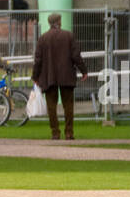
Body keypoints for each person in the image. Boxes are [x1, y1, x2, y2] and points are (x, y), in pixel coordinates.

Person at [31, 12, 88, 140]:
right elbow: (76, 56)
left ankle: (55, 132)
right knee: (68, 105)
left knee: (51, 106)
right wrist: (83, 71)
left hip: (49, 76)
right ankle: (69, 132)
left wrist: (35, 76)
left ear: (50, 23)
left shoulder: (43, 38)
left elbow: (38, 60)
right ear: (59, 22)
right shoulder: (69, 36)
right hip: (66, 75)